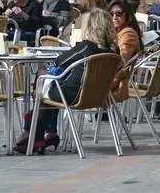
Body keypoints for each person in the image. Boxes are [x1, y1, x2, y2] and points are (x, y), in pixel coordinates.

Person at [14, 9, 118, 155]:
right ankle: (48, 134)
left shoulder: (87, 46)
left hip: (72, 95)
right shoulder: (113, 52)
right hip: (98, 97)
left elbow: (58, 61)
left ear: (91, 27)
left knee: (42, 78)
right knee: (48, 86)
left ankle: (31, 133)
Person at [108, 0, 143, 102]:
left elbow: (121, 59)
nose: (114, 17)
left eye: (119, 13)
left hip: (113, 83)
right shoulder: (117, 32)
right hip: (110, 79)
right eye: (111, 14)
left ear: (127, 15)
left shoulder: (128, 33)